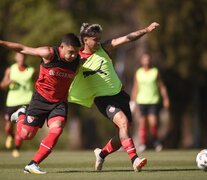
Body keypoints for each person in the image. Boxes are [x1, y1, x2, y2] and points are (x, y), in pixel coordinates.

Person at [68, 22, 159, 172]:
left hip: (120, 95)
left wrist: (146, 30)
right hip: (103, 99)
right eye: (95, 39)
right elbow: (62, 69)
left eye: (99, 38)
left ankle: (101, 154)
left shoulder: (104, 48)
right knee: (123, 123)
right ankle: (135, 160)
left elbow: (127, 38)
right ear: (85, 40)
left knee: (123, 134)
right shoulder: (78, 59)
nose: (98, 42)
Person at [0, 33, 81, 174]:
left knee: (57, 129)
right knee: (26, 135)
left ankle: (33, 164)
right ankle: (20, 114)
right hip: (40, 100)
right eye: (70, 52)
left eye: (76, 53)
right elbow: (22, 48)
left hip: (59, 103)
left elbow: (98, 49)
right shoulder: (48, 53)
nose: (73, 56)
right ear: (61, 47)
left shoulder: (77, 60)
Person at [131, 53, 170, 152]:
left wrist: (165, 98)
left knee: (153, 122)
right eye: (144, 59)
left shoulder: (155, 72)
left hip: (153, 100)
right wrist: (133, 101)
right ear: (141, 61)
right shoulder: (138, 72)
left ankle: (156, 141)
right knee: (142, 123)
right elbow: (135, 87)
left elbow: (161, 86)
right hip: (142, 101)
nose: (146, 61)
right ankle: (143, 144)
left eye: (148, 59)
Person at [0, 52, 35, 157]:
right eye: (19, 56)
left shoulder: (31, 70)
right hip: (12, 102)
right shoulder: (10, 70)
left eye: (23, 56)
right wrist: (8, 82)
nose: (21, 58)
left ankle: (16, 148)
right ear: (16, 57)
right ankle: (10, 136)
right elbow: (2, 85)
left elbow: (39, 83)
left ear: (26, 57)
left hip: (26, 102)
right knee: (8, 127)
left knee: (21, 125)